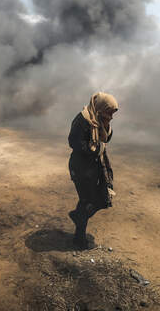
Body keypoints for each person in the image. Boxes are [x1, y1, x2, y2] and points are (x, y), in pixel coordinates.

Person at [68, 92, 118, 249]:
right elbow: (73, 142)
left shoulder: (99, 119)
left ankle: (77, 216)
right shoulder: (82, 119)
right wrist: (94, 149)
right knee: (87, 201)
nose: (110, 117)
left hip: (94, 167)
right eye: (108, 112)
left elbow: (106, 138)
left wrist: (106, 126)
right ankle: (79, 237)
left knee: (102, 197)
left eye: (112, 113)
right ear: (100, 107)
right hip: (80, 168)